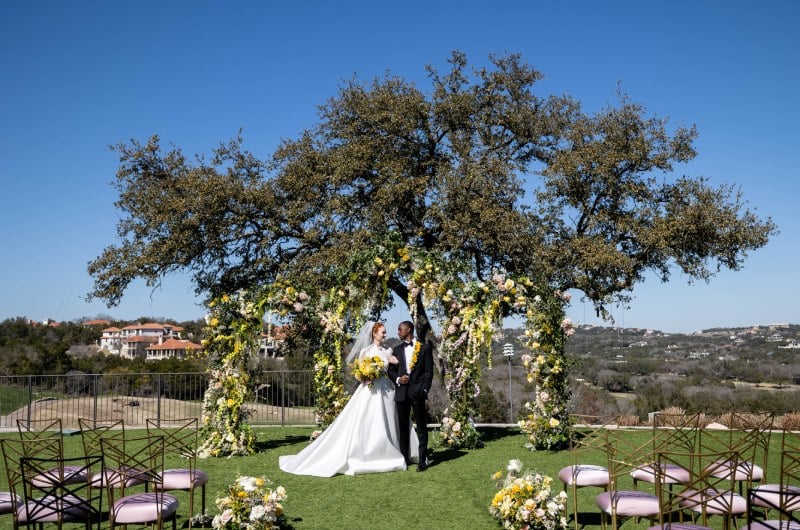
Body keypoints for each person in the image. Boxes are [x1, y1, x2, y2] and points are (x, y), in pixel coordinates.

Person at [279, 321, 418, 477]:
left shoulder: (389, 350)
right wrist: (367, 376)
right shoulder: (366, 351)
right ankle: (371, 454)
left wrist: (390, 363)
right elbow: (358, 373)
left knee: (390, 420)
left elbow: (392, 370)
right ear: (374, 334)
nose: (385, 335)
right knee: (370, 420)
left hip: (386, 389)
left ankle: (395, 450)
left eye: (385, 332)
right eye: (382, 332)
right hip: (371, 390)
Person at [387, 320, 434, 471]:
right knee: (403, 428)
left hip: (418, 393)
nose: (398, 332)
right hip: (401, 393)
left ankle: (422, 460)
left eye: (400, 329)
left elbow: (429, 372)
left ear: (409, 330)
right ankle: (404, 459)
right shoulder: (396, 349)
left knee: (421, 427)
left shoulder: (425, 348)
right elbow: (391, 370)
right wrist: (398, 379)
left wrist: (425, 390)